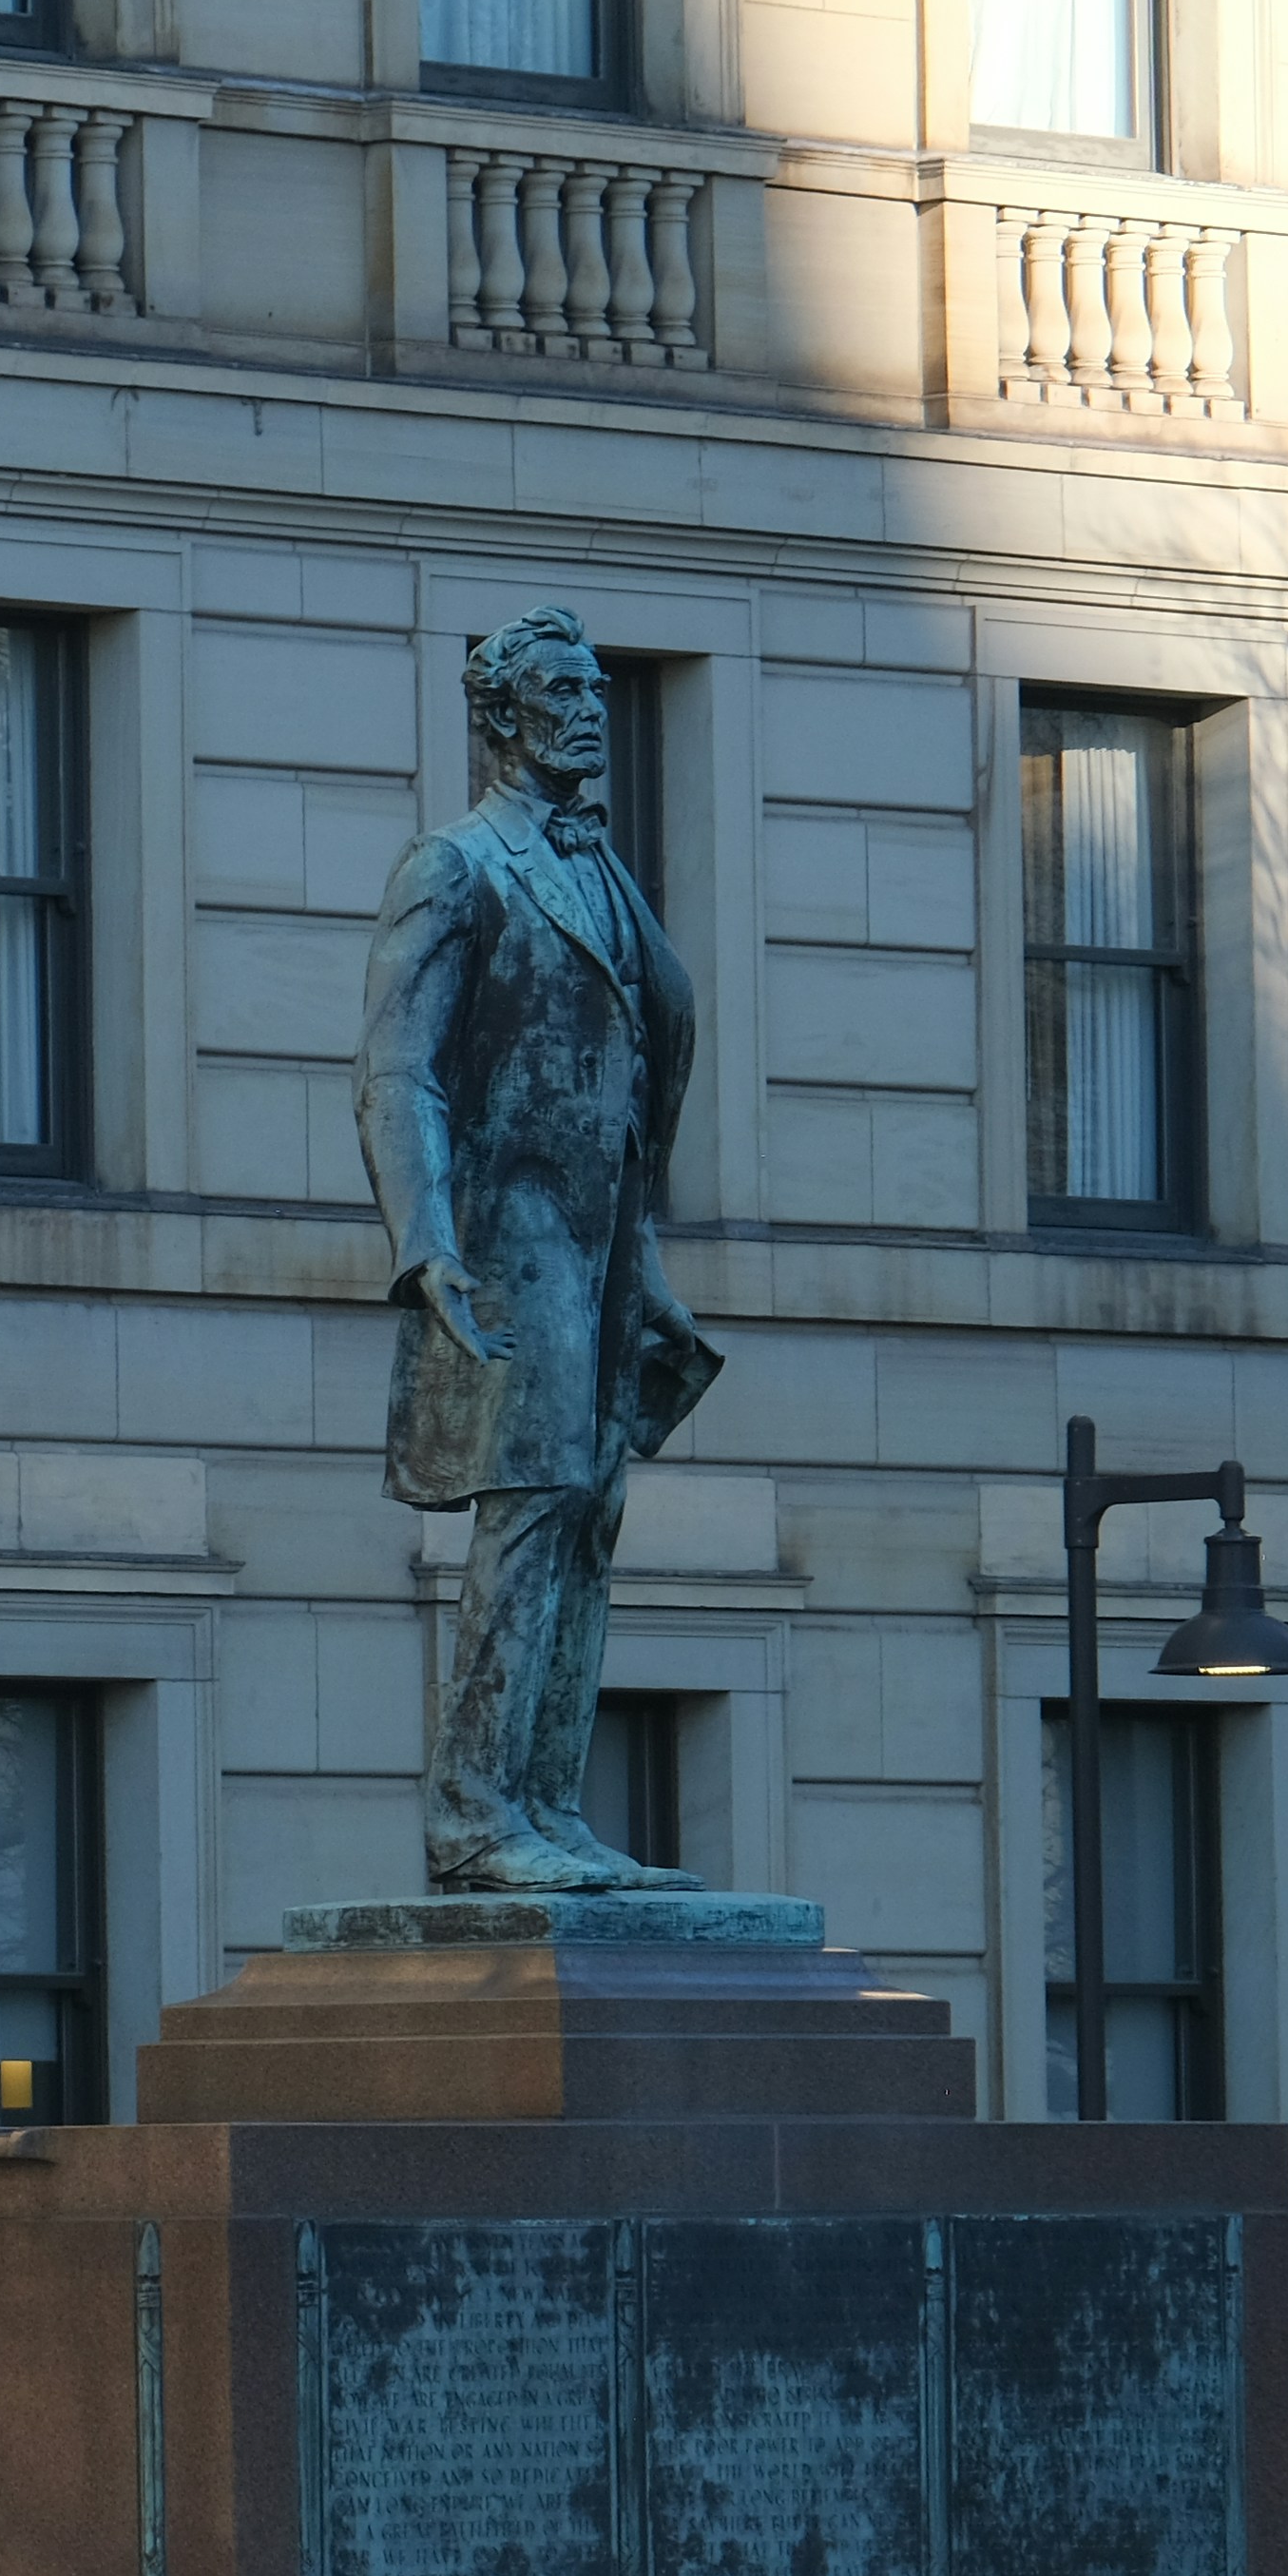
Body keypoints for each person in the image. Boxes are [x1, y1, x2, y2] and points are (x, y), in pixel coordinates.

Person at [349, 605, 723, 1893]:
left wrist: (651, 1265)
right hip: (508, 1240)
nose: (588, 712)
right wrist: (425, 1240)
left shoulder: (604, 871)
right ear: (502, 715)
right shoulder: (454, 867)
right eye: (560, 692)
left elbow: (619, 1092)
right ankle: (474, 1815)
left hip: (603, 1243)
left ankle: (548, 1807)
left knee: (592, 1511)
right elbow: (399, 1071)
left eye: (595, 689)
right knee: (534, 1507)